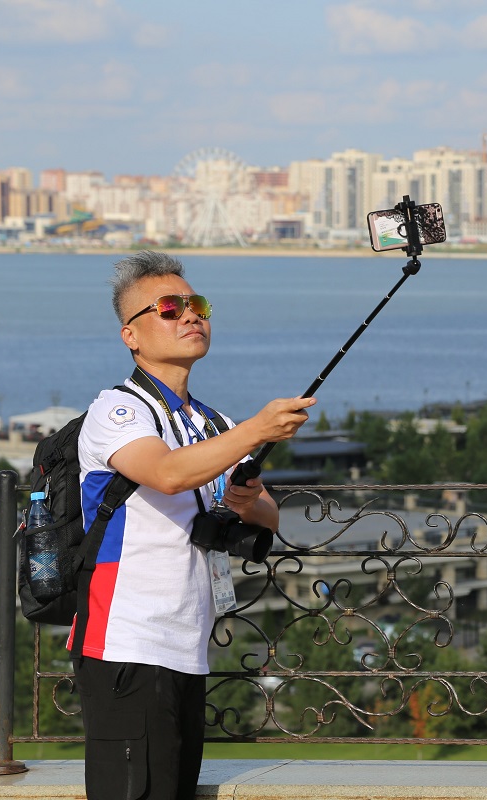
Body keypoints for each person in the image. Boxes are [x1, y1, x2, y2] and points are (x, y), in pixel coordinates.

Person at [74, 250, 315, 800]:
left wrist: (248, 497)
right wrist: (256, 429)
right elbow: (164, 472)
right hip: (126, 643)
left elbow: (270, 515)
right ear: (129, 336)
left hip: (186, 645)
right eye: (168, 307)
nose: (189, 316)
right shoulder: (117, 411)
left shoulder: (211, 423)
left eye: (196, 304)